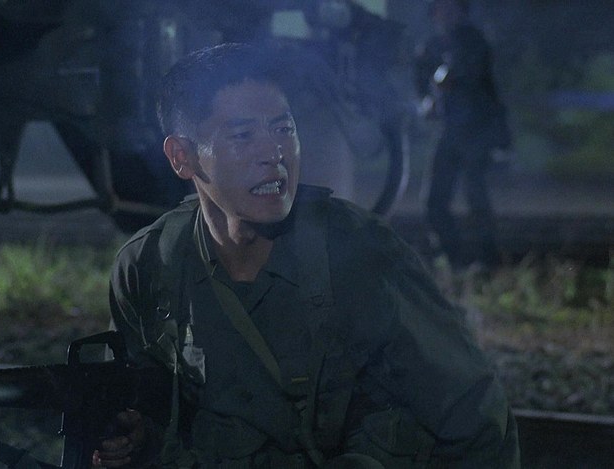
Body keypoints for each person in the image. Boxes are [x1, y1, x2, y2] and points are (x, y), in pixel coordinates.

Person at [95, 42, 519, 468]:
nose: (273, 153)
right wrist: (131, 438)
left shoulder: (361, 252)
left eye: (284, 129)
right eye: (243, 135)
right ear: (182, 158)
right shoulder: (151, 265)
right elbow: (138, 405)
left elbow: (476, 416)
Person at [415, 0, 512, 271]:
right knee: (435, 200)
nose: (446, 14)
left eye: (452, 8)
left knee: (475, 196)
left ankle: (488, 260)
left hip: (475, 131)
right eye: (441, 8)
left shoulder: (474, 41)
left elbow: (465, 75)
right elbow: (423, 85)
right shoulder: (431, 45)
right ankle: (453, 259)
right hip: (449, 131)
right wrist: (427, 102)